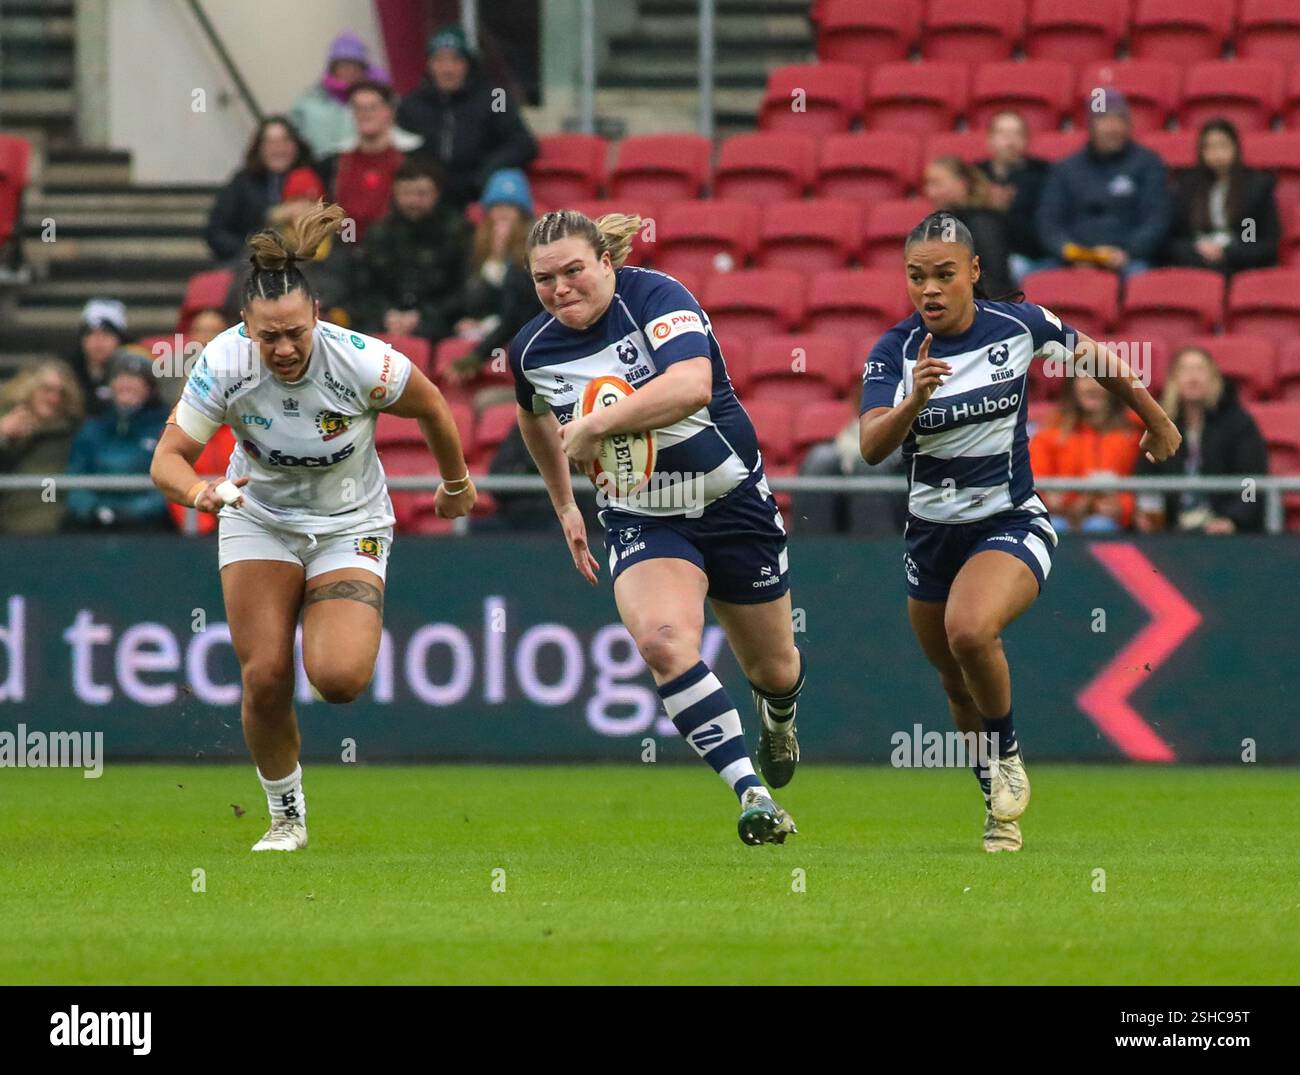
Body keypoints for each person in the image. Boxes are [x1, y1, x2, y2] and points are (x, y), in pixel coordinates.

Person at [150, 202, 474, 852]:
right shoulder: (223, 363)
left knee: (339, 678)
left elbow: (434, 405)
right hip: (258, 517)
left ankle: (322, 614)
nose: (285, 348)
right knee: (265, 674)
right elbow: (167, 461)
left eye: (295, 331)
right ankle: (286, 817)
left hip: (349, 518)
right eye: (268, 336)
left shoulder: (362, 362)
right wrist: (200, 490)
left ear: (316, 316)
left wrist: (456, 483)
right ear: (246, 326)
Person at [858, 211, 1180, 853]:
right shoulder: (894, 352)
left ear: (974, 273)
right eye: (917, 276)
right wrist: (912, 403)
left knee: (971, 629)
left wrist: (1155, 418)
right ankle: (996, 806)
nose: (930, 289)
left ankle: (1007, 755)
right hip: (930, 536)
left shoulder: (1021, 325)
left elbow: (1099, 359)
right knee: (953, 679)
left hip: (1010, 519)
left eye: (945, 275)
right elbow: (871, 446)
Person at [509, 209, 806, 846]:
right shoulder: (531, 351)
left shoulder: (658, 298)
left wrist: (594, 427)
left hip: (733, 506)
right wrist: (564, 502)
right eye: (543, 279)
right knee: (664, 643)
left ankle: (778, 717)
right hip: (644, 517)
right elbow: (533, 417)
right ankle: (750, 794)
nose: (560, 289)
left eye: (573, 272)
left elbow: (693, 386)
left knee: (776, 669)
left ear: (606, 263)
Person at [395, 24, 537, 210]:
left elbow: (521, 143)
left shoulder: (496, 96)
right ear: (429, 65)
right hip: (425, 196)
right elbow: (400, 149)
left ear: (468, 64)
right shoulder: (412, 103)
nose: (448, 69)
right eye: (439, 60)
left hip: (478, 191)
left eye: (456, 60)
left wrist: (486, 173)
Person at [1135, 345, 1269, 533]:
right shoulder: (1159, 426)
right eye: (1185, 370)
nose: (1193, 377)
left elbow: (1252, 482)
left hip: (1224, 531)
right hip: (1170, 531)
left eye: (1200, 369)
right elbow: (1146, 477)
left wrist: (1234, 519)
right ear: (1173, 380)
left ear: (1214, 379)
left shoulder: (1239, 424)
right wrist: (1146, 514)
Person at [1036, 89, 1170, 278]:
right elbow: (1048, 224)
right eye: (1104, 121)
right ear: (1091, 126)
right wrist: (1073, 254)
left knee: (1142, 279)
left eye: (1118, 120)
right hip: (1074, 258)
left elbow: (1156, 220)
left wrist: (1128, 251)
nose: (1112, 128)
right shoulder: (1066, 168)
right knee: (1030, 276)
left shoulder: (1148, 163)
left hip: (1128, 259)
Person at [350, 157, 470, 343]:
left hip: (439, 324)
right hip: (382, 322)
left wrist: (421, 316)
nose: (413, 201)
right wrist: (386, 314)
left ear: (437, 194)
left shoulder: (456, 231)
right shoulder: (379, 232)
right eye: (406, 193)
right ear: (395, 193)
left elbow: (463, 290)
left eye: (421, 194)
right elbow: (363, 286)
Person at [446, 168, 541, 390]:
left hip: (518, 347)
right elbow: (470, 301)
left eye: (510, 208)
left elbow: (516, 314)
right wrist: (495, 262)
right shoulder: (477, 248)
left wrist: (505, 265)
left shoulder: (536, 253)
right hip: (487, 338)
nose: (502, 215)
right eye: (496, 208)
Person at [64, 348, 171, 533]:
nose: (127, 384)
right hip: (91, 527)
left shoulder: (166, 428)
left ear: (150, 388)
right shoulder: (92, 428)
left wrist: (134, 512)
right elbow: (75, 478)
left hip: (149, 530)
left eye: (136, 378)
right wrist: (95, 510)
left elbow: (170, 483)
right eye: (121, 377)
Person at [1166, 118, 1280, 275]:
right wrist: (1197, 247)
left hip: (1236, 264)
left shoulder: (1255, 189)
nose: (1216, 154)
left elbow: (1256, 242)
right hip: (1196, 261)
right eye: (1209, 147)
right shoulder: (1188, 186)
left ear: (1235, 148)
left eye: (1222, 145)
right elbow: (1176, 238)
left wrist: (1226, 252)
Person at [1030, 375, 1141, 532]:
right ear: (1073, 386)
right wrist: (1052, 501)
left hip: (1110, 521)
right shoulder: (1049, 433)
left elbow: (1139, 482)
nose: (1092, 385)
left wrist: (1122, 507)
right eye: (1084, 378)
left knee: (1099, 526)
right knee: (1055, 526)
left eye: (1099, 380)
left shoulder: (1131, 434)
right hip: (1060, 516)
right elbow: (1036, 483)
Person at [319, 79, 422, 242]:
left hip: (398, 247)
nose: (364, 113)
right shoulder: (336, 160)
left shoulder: (413, 157)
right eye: (358, 107)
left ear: (389, 111)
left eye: (372, 107)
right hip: (348, 246)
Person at [206, 117, 317, 262]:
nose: (278, 148)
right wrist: (252, 251)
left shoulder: (313, 178)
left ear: (296, 145)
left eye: (285, 141)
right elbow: (215, 233)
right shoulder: (242, 183)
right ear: (259, 148)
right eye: (270, 142)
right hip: (251, 265)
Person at [0, 359, 84, 533]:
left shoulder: (71, 434)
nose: (53, 399)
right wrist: (3, 435)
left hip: (42, 531)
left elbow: (50, 495)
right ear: (28, 389)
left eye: (61, 393)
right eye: (47, 390)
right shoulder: (5, 420)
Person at [923, 155, 1015, 300]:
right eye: (928, 185)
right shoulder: (941, 225)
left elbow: (995, 278)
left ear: (961, 184)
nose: (930, 192)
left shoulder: (982, 224)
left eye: (936, 184)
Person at [976, 111, 1052, 280]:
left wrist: (1002, 212)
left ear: (1026, 140)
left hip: (1030, 258)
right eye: (1003, 133)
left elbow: (1043, 230)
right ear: (989, 140)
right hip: (980, 257)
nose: (1010, 141)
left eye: (1017, 134)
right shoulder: (974, 175)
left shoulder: (1043, 174)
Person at [288, 31, 373, 159]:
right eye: (343, 65)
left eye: (355, 66)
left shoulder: (378, 101)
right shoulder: (308, 102)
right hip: (323, 170)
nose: (349, 71)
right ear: (332, 68)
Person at [68, 298, 129, 416]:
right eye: (90, 333)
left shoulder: (134, 374)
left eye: (106, 333)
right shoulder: (68, 373)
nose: (98, 341)